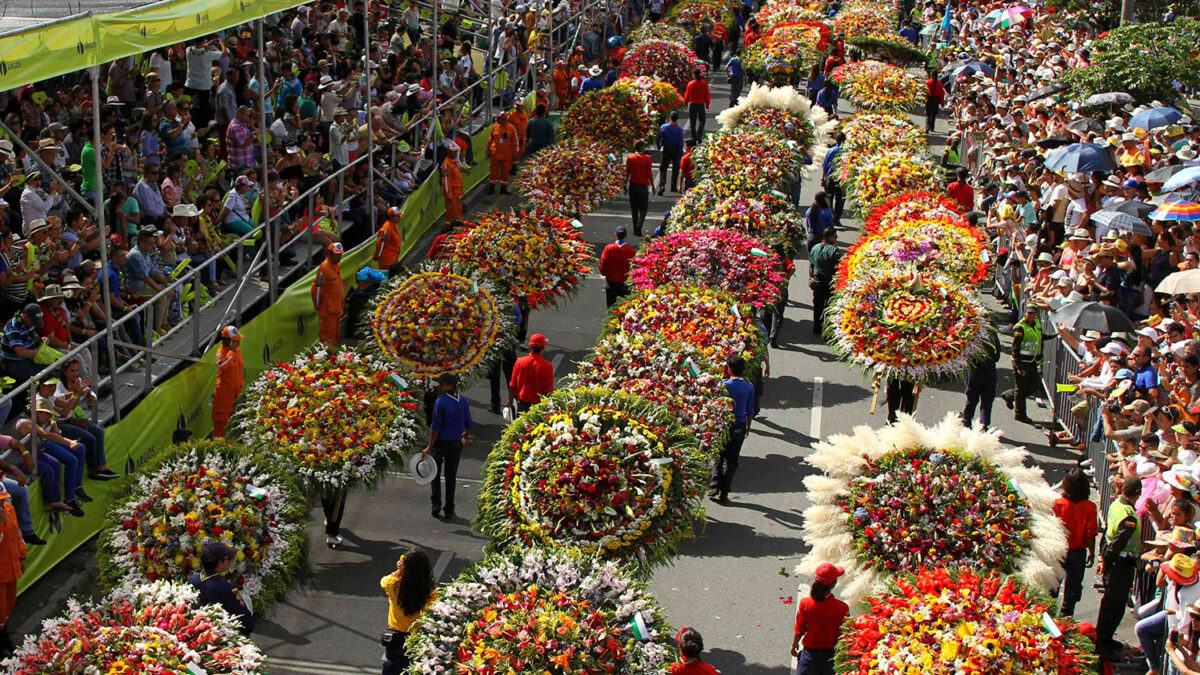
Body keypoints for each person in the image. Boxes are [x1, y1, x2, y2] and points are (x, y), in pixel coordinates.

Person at [1096, 475, 1143, 656]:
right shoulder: (1129, 517)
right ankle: (1102, 644)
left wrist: (1102, 558)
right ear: (1138, 493)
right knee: (1114, 605)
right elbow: (1117, 543)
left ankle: (1105, 638)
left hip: (1114, 561)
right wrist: (1107, 562)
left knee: (1111, 602)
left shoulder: (1116, 505)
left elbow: (1107, 532)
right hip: (1120, 564)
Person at [422, 373, 472, 520]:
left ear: (449, 385)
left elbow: (436, 426)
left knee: (435, 474)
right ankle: (449, 508)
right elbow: (468, 421)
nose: (440, 385)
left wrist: (429, 446)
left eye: (442, 383)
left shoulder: (440, 402)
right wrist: (466, 435)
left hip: (441, 443)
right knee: (451, 477)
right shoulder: (463, 401)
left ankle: (436, 505)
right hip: (456, 443)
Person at [380, 549, 437, 675]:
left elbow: (383, 581)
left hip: (395, 638)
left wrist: (398, 571)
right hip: (418, 639)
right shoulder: (431, 591)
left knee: (393, 667)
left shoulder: (393, 584)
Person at [790, 562, 850, 674]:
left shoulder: (805, 604)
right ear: (833, 584)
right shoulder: (842, 608)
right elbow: (844, 634)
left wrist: (794, 646)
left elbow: (799, 629)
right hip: (830, 658)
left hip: (809, 657)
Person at [1054, 467, 1098, 618]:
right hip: (1077, 553)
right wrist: (1092, 553)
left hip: (1057, 551)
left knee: (1052, 587)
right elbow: (1091, 533)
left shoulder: (1057, 503)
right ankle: (1065, 622)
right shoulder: (1090, 507)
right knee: (1071, 593)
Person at [187, 542, 254, 635]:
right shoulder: (226, 589)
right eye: (228, 559)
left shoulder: (192, 580)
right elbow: (245, 620)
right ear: (219, 563)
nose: (230, 561)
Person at [713, 355, 754, 505]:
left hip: (723, 426)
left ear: (729, 369)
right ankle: (724, 492)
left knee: (718, 455)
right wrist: (748, 426)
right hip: (739, 427)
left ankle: (714, 484)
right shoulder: (749, 386)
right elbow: (750, 410)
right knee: (732, 461)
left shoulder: (724, 384)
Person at [1002, 304, 1051, 424]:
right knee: (1021, 388)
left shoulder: (1037, 324)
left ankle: (1009, 395)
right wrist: (1018, 366)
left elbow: (1040, 337)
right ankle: (1020, 414)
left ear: (1036, 315)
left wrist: (1055, 335)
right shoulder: (1020, 327)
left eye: (1032, 313)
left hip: (1032, 361)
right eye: (1028, 313)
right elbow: (1015, 348)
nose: (1029, 315)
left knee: (1032, 387)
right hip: (1022, 362)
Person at [0, 480, 25, 658]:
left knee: (8, 606)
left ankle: (4, 636)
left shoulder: (9, 510)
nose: (2, 504)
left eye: (3, 500)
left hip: (11, 569)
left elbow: (18, 535)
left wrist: (22, 556)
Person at [962, 330, 1001, 429]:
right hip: (990, 370)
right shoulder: (992, 334)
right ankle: (984, 423)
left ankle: (967, 420)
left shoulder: (972, 332)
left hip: (975, 370)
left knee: (972, 398)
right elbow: (997, 355)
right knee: (987, 399)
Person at [508, 333, 554, 413]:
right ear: (543, 348)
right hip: (539, 407)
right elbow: (548, 390)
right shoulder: (547, 366)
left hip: (522, 405)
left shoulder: (520, 361)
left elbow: (513, 385)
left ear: (530, 347)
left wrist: (510, 402)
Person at [212, 325, 244, 438]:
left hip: (236, 392)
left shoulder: (237, 351)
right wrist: (230, 353)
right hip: (224, 394)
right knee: (222, 423)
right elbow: (221, 366)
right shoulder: (221, 353)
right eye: (235, 341)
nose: (238, 342)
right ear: (228, 341)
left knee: (235, 421)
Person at [808, 228, 841, 335]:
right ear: (830, 237)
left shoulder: (815, 247)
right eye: (835, 236)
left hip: (817, 281)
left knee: (817, 305)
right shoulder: (833, 251)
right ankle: (826, 330)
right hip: (829, 282)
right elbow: (837, 268)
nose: (836, 239)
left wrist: (811, 278)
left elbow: (811, 266)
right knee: (828, 306)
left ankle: (816, 327)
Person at [311, 242, 345, 345]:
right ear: (329, 254)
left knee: (335, 337)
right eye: (336, 254)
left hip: (336, 310)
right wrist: (318, 306)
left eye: (340, 254)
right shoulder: (324, 269)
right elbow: (317, 290)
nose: (339, 257)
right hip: (328, 312)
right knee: (327, 340)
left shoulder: (336, 266)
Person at [599, 227, 636, 308]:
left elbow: (603, 263)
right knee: (624, 307)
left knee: (611, 305)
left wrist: (605, 273)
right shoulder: (631, 250)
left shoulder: (608, 248)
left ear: (615, 235)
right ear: (625, 236)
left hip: (611, 281)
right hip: (625, 283)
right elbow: (634, 267)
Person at [486, 111, 519, 195]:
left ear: (504, 119)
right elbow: (490, 139)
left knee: (505, 172)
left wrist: (515, 153)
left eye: (498, 118)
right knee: (494, 171)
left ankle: (503, 189)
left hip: (506, 155)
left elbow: (515, 141)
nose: (497, 119)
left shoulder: (511, 128)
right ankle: (492, 188)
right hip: (495, 154)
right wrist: (489, 150)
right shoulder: (495, 127)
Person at [626, 141, 653, 236]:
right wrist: (653, 186)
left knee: (634, 208)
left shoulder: (630, 158)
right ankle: (640, 224)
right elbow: (649, 174)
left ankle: (635, 228)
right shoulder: (647, 159)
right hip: (643, 187)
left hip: (633, 186)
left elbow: (627, 173)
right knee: (643, 208)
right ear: (642, 148)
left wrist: (624, 185)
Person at [657, 112, 685, 195]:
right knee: (675, 169)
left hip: (666, 149)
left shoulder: (664, 127)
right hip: (675, 150)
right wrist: (680, 153)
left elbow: (659, 137)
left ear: (670, 118)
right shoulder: (679, 130)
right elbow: (681, 142)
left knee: (663, 168)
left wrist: (658, 146)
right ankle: (673, 186)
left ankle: (662, 185)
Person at [683, 69, 710, 141]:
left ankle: (693, 136)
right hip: (701, 104)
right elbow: (707, 95)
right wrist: (707, 105)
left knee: (692, 122)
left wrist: (685, 103)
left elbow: (687, 95)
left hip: (692, 105)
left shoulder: (690, 84)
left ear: (694, 75)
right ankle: (699, 134)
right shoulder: (704, 83)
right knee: (702, 121)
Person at [441, 145, 465, 222]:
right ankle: (449, 228)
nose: (455, 153)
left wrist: (462, 169)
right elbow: (446, 181)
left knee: (458, 209)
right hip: (451, 193)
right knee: (451, 212)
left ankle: (457, 226)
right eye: (453, 152)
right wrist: (448, 194)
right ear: (448, 152)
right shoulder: (446, 164)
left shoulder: (454, 161)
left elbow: (456, 171)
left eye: (456, 152)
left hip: (456, 192)